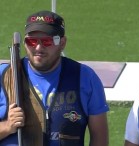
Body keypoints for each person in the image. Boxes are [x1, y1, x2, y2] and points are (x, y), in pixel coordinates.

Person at [0, 10, 109, 146]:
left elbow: (100, 138)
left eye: (47, 41)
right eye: (32, 41)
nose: (39, 47)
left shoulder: (85, 77)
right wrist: (7, 126)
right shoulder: (4, 76)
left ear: (62, 43)